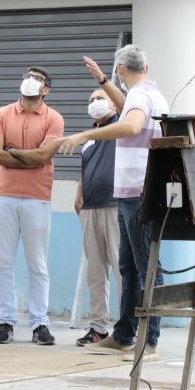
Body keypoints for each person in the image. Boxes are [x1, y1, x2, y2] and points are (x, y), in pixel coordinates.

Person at [60, 45, 169, 361]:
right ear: (145, 66)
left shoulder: (139, 96)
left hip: (138, 191)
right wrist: (104, 81)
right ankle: (123, 335)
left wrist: (84, 136)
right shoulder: (149, 93)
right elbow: (128, 110)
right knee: (130, 267)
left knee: (146, 266)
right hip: (131, 192)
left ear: (122, 70)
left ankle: (148, 341)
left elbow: (132, 124)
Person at [0, 66, 63, 345]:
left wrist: (13, 152)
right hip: (4, 196)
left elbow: (43, 156)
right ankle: (4, 321)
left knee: (38, 264)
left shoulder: (54, 118)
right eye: (27, 77)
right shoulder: (2, 114)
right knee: (3, 263)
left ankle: (39, 323)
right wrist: (28, 157)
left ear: (46, 90)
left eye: (38, 79)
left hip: (37, 197)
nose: (31, 82)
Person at [74, 88, 122, 346]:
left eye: (100, 98)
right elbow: (87, 171)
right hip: (90, 208)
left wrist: (104, 80)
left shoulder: (121, 128)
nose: (94, 103)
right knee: (95, 272)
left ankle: (128, 326)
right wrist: (79, 193)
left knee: (121, 269)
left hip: (115, 207)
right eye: (91, 99)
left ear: (115, 106)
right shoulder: (90, 138)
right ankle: (98, 327)